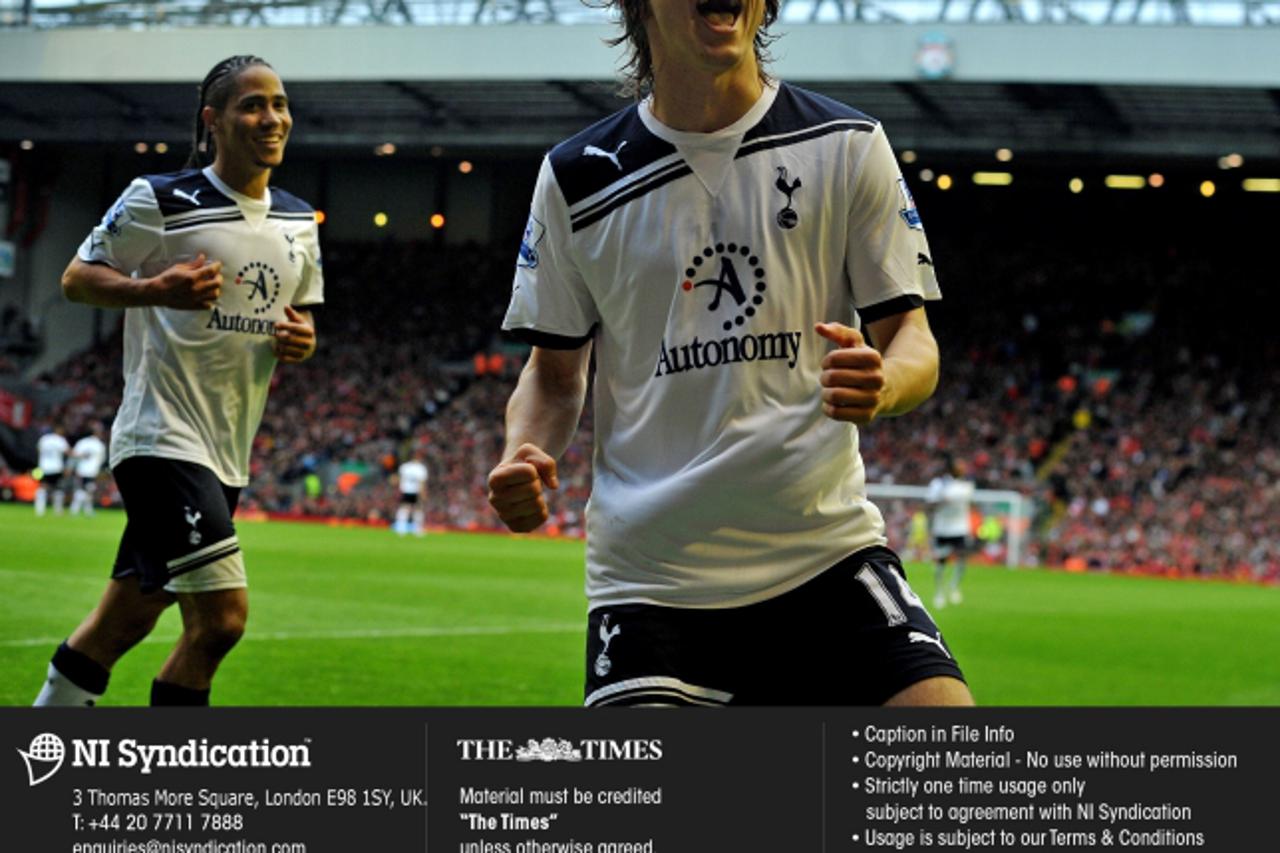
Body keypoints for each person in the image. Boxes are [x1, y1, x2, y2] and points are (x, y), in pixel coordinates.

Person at [487, 0, 972, 707]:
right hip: (653, 585)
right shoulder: (575, 180)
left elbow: (911, 337)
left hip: (824, 556)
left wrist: (887, 383)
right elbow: (555, 376)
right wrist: (521, 448)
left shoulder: (847, 143)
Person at [34, 55, 322, 707]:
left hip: (226, 451)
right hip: (161, 437)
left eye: (279, 103)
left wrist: (303, 340)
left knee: (126, 618)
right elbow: (77, 279)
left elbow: (298, 317)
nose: (271, 117)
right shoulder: (159, 199)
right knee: (220, 621)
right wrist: (153, 287)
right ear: (212, 122)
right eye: (253, 104)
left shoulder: (300, 221)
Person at [926, 456, 976, 608]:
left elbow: (965, 499)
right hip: (942, 528)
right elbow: (929, 505)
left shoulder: (967, 484)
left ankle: (954, 586)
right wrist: (942, 500)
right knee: (941, 562)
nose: (962, 468)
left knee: (962, 558)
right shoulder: (938, 484)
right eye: (959, 466)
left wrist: (949, 498)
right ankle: (939, 592)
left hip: (960, 528)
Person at [68, 424, 108, 516]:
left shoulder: (82, 442)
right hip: (92, 471)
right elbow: (102, 460)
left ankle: (84, 510)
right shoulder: (100, 445)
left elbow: (74, 455)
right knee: (87, 490)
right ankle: (76, 509)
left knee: (84, 490)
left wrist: (70, 467)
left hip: (81, 470)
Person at [34, 425, 70, 516]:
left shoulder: (44, 439)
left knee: (42, 487)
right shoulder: (60, 440)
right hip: (56, 468)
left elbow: (38, 450)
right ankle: (58, 510)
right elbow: (67, 451)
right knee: (58, 488)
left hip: (43, 467)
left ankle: (39, 510)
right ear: (59, 430)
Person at [394, 453, 429, 536]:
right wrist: (423, 493)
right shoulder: (421, 468)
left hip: (405, 490)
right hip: (415, 491)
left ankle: (401, 528)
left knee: (405, 508)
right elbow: (422, 482)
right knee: (417, 509)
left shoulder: (404, 466)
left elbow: (398, 478)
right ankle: (417, 529)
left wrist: (398, 489)